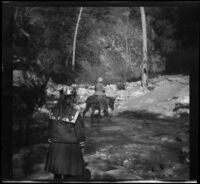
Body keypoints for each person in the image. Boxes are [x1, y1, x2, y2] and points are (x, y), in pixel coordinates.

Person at [45, 85, 86, 181]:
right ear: (71, 98)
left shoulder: (53, 111)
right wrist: (82, 144)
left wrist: (50, 141)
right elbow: (79, 132)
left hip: (55, 146)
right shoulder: (75, 113)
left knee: (57, 175)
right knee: (69, 176)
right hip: (71, 148)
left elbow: (50, 129)